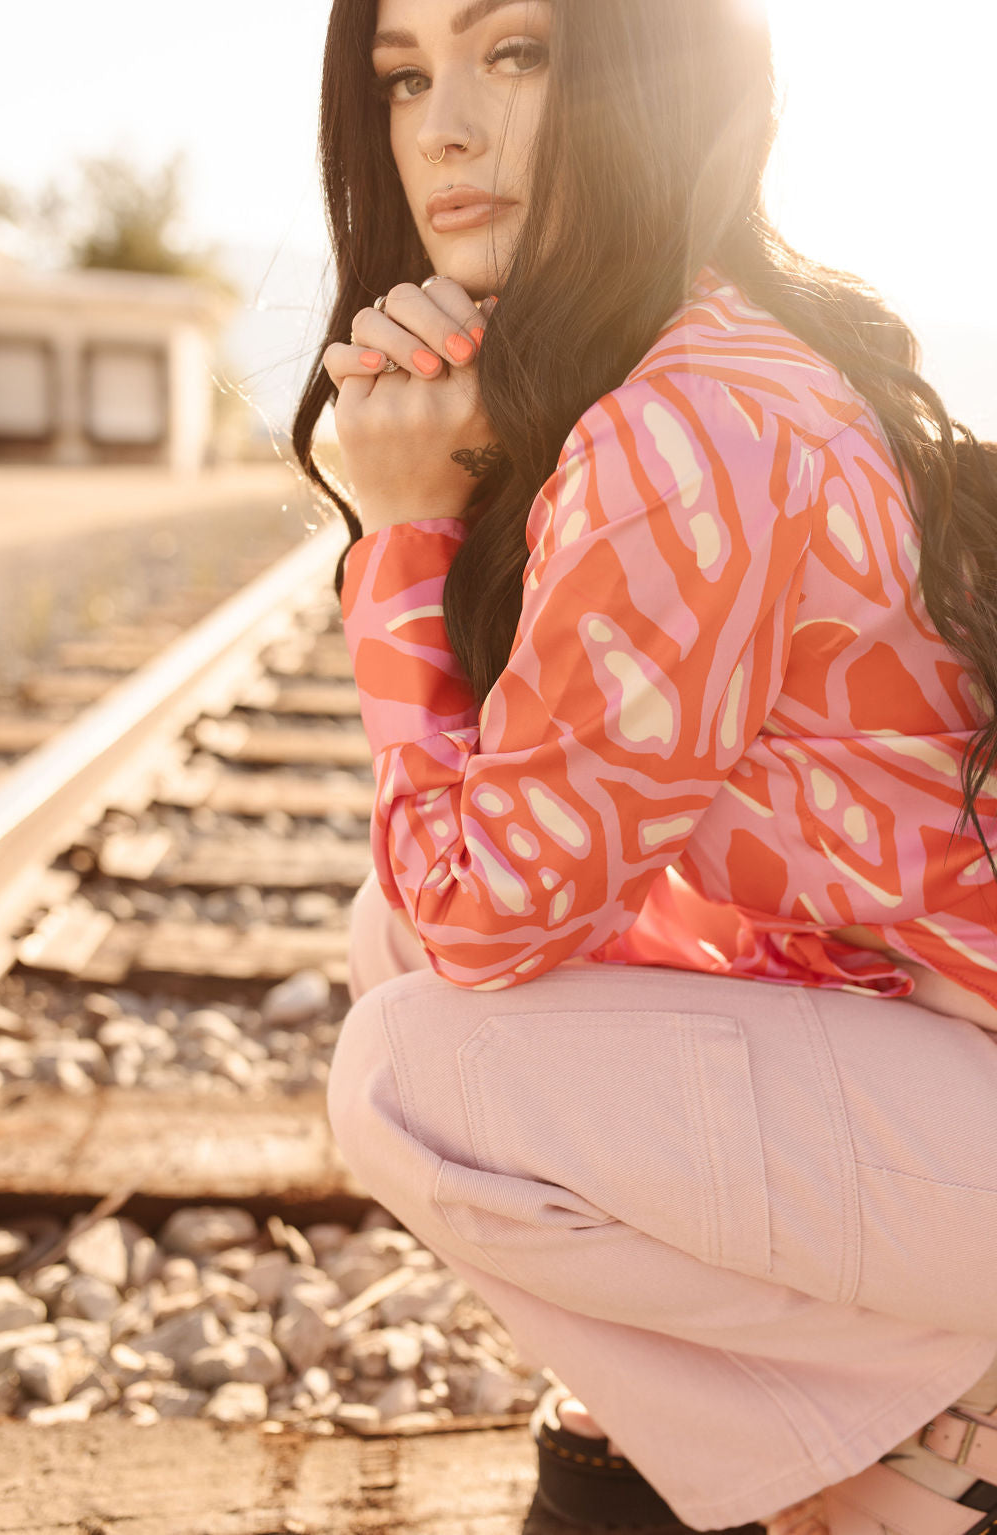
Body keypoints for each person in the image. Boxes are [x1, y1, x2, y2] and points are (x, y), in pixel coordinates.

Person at [292, 2, 997, 1531]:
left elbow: (498, 917)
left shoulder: (676, 433)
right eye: (405, 75)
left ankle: (917, 1453)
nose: (444, 128)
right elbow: (518, 873)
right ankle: (863, 1427)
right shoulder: (702, 350)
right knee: (389, 932)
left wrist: (407, 533)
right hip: (939, 1053)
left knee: (413, 1073)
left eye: (517, 54)